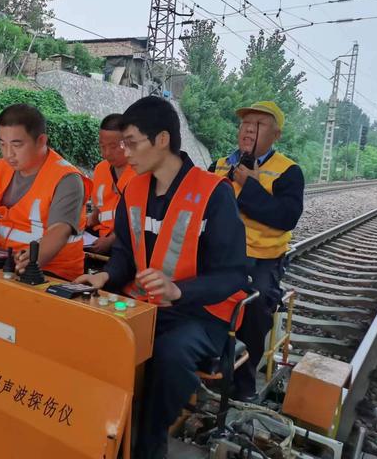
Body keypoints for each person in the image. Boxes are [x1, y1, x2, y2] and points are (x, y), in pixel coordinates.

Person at [76, 96, 249, 458]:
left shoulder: (213, 193)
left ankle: (149, 445)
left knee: (169, 356)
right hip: (146, 303)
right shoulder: (135, 189)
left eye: (131, 143)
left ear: (163, 140)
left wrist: (179, 291)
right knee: (97, 336)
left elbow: (233, 274)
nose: (125, 153)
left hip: (202, 314)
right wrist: (105, 276)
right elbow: (126, 251)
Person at [209, 101, 304, 401]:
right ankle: (205, 364)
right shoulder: (219, 165)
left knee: (257, 304)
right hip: (220, 253)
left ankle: (243, 383)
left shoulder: (288, 171)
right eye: (245, 123)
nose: (249, 129)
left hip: (261, 260)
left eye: (259, 124)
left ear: (276, 135)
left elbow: (286, 217)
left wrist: (250, 186)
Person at [0, 104, 92, 281]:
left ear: (41, 141)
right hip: (0, 263)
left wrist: (32, 261)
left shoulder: (67, 179)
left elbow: (59, 231)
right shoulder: (0, 169)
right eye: (2, 144)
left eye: (17, 145)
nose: (8, 154)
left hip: (51, 274)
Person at [86, 114, 137, 254]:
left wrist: (111, 240)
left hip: (126, 241)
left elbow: (137, 220)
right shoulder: (100, 169)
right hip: (99, 235)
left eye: (113, 147)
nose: (106, 153)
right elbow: (98, 210)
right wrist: (87, 221)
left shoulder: (140, 171)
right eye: (102, 146)